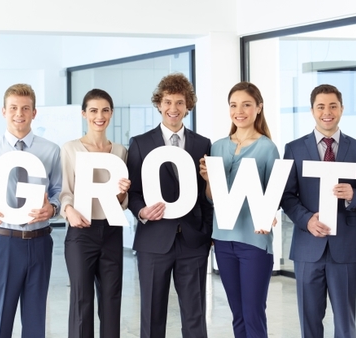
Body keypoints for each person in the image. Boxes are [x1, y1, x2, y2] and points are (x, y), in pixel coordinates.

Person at [0, 83, 62, 338]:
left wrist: (52, 208)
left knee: (35, 320)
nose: (19, 113)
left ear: (34, 112)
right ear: (4, 111)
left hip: (40, 242)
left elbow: (59, 191)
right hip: (3, 242)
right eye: (14, 108)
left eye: (25, 108)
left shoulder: (51, 150)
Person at [126, 73, 213, 338]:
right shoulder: (140, 143)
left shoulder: (202, 144)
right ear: (158, 104)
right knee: (152, 316)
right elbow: (135, 190)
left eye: (179, 102)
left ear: (188, 106)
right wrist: (140, 211)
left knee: (195, 315)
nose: (173, 108)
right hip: (154, 240)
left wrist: (208, 233)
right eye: (167, 101)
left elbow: (205, 196)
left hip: (192, 241)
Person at [280, 84, 356, 338]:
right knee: (309, 321)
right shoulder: (294, 148)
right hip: (308, 247)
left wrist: (354, 197)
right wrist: (307, 220)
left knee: (345, 321)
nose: (327, 112)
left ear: (342, 109)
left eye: (333, 106)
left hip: (347, 247)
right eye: (321, 106)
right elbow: (286, 196)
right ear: (312, 111)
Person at [198, 82, 279, 338]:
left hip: (254, 242)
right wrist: (210, 180)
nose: (239, 110)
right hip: (223, 241)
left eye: (246, 104)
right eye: (234, 105)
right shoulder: (217, 146)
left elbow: (273, 198)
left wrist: (270, 212)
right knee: (238, 314)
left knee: (253, 313)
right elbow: (212, 199)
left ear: (258, 108)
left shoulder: (267, 148)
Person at [59, 89, 131, 338]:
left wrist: (122, 193)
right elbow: (65, 192)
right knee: (82, 301)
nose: (99, 116)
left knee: (112, 300)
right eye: (93, 110)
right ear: (84, 114)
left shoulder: (120, 151)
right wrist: (69, 211)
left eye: (104, 110)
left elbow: (121, 201)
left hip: (111, 231)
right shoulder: (70, 149)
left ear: (111, 113)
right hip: (81, 233)